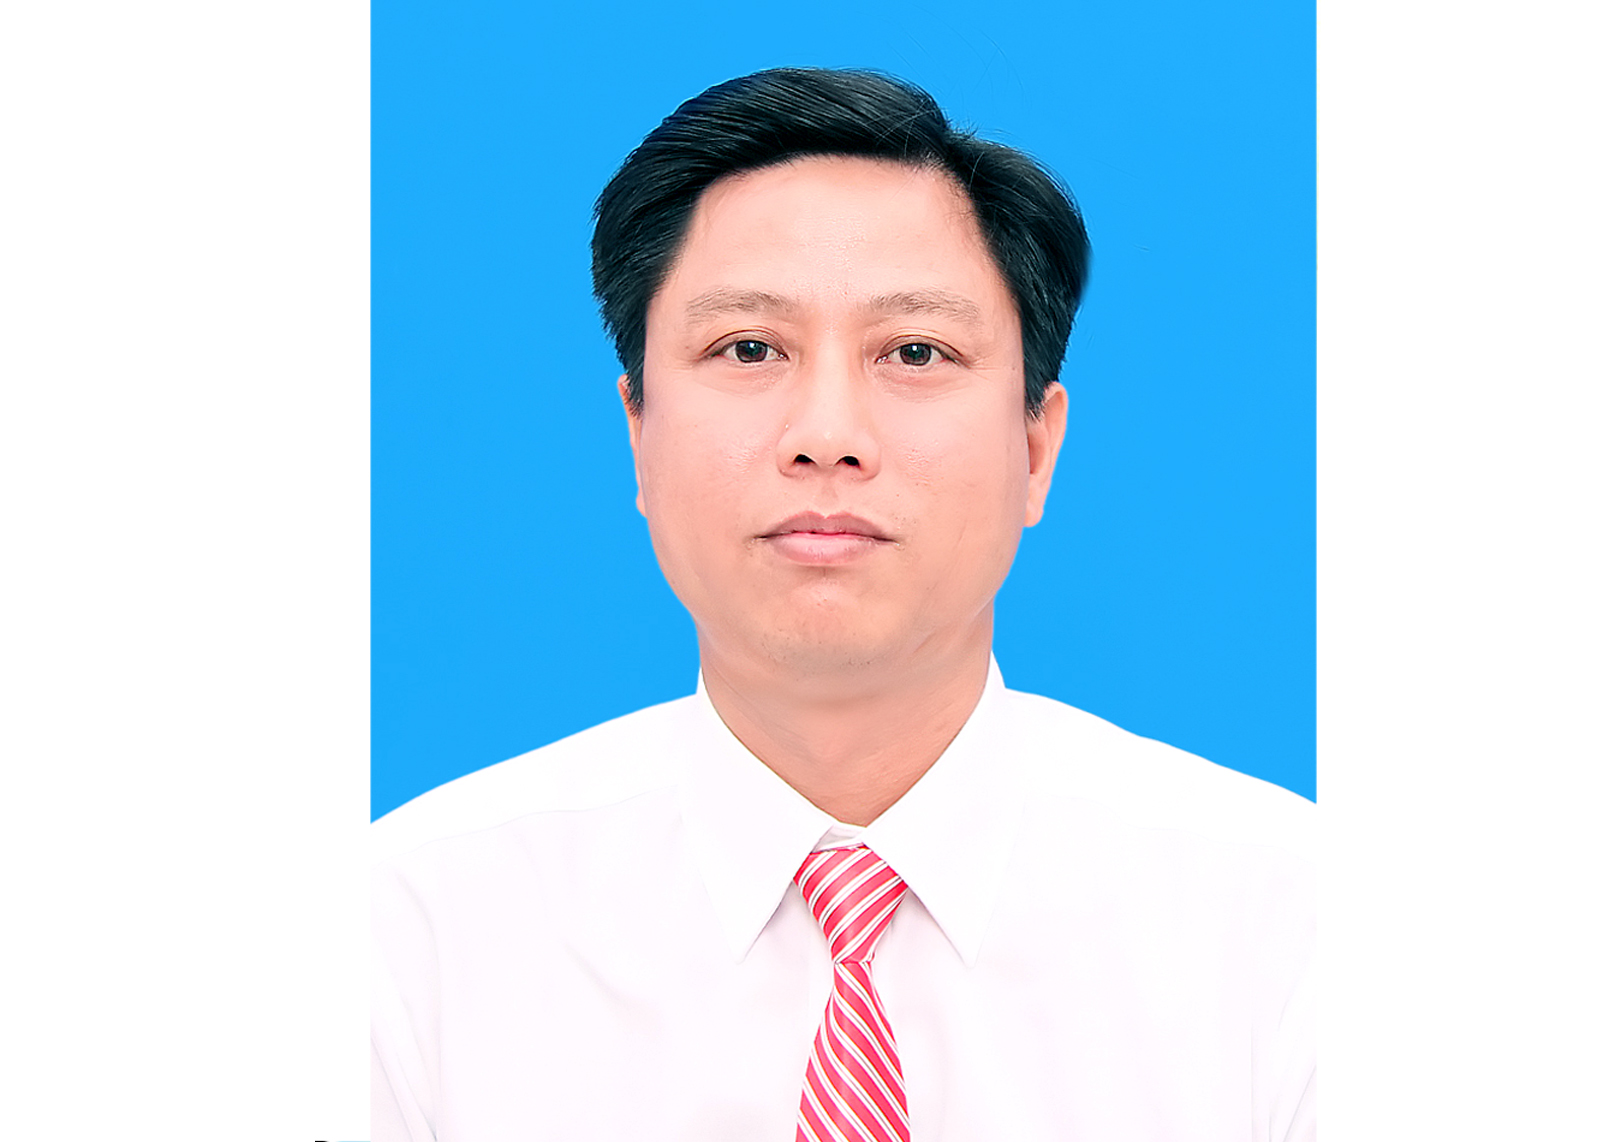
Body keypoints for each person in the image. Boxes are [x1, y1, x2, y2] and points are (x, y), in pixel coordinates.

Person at [372, 67, 1314, 1142]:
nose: (826, 434)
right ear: (638, 432)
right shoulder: (410, 933)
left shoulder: (1289, 927)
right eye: (748, 349)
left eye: (915, 352)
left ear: (1035, 447)